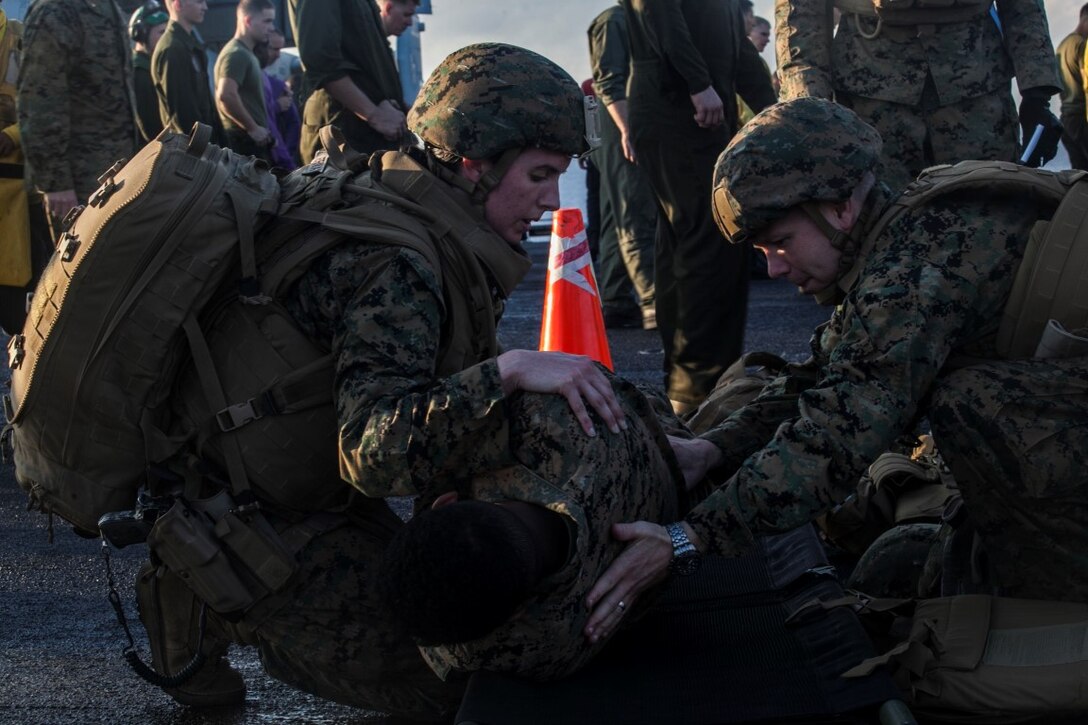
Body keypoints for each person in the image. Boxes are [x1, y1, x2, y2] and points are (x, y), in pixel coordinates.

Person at [136, 43, 628, 719]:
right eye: (540, 175)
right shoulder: (396, 263)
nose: (549, 201)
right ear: (472, 163)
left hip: (296, 483)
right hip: (257, 519)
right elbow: (371, 450)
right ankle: (195, 584)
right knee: (472, 679)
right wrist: (507, 371)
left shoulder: (405, 201)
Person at [583, 98, 1088, 646]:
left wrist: (688, 539)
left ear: (841, 206)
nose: (774, 267)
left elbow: (839, 434)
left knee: (976, 404)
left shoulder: (914, 271)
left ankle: (1059, 614)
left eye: (781, 242)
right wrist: (715, 448)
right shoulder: (907, 235)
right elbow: (823, 377)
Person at [378, 380, 684, 682]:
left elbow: (452, 652)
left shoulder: (555, 642)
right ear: (445, 502)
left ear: (515, 615)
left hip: (680, 486)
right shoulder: (547, 410)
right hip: (658, 429)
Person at [620, 0, 776, 414]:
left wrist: (777, 111)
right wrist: (697, 83)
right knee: (709, 241)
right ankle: (700, 389)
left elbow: (737, 48)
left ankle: (697, 383)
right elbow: (660, 14)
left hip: (697, 110)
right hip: (679, 109)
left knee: (692, 244)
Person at [777, 0, 1063, 193]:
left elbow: (1024, 7)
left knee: (991, 220)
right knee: (877, 227)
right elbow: (799, 13)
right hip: (870, 98)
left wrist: (1037, 94)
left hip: (978, 93)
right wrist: (808, 108)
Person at [17, 0, 138, 228]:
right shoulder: (54, 11)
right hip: (79, 184)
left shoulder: (108, 8)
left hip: (118, 173)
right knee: (85, 261)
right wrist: (56, 184)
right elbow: (38, 103)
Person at [587, 1, 657, 330]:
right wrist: (628, 129)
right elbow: (609, 81)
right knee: (633, 210)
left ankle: (616, 298)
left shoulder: (629, 19)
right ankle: (653, 300)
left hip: (619, 128)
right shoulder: (615, 20)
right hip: (621, 127)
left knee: (618, 214)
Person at [288, 0, 417, 163]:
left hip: (360, 137)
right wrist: (374, 113)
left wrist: (385, 101)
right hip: (340, 134)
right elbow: (320, 59)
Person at [152, 0, 223, 144]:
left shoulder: (188, 44)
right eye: (199, 2)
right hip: (191, 149)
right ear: (178, 5)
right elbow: (183, 115)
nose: (205, 7)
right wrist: (202, 148)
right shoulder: (172, 49)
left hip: (203, 145)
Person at [214, 0, 276, 160]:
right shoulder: (236, 54)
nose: (271, 28)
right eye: (267, 21)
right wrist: (253, 128)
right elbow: (226, 95)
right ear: (248, 21)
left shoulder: (245, 53)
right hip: (243, 144)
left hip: (250, 142)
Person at [259, 29, 301, 169]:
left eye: (280, 49)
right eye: (273, 49)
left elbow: (293, 123)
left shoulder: (278, 85)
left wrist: (286, 155)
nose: (278, 55)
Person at [129, 2, 168, 144]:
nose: (165, 39)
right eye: (161, 32)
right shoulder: (139, 71)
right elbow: (150, 127)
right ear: (141, 34)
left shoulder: (155, 66)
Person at [1056, 4, 1088, 170]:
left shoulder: (1063, 44)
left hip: (1067, 119)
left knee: (1080, 176)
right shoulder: (1082, 45)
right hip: (1082, 118)